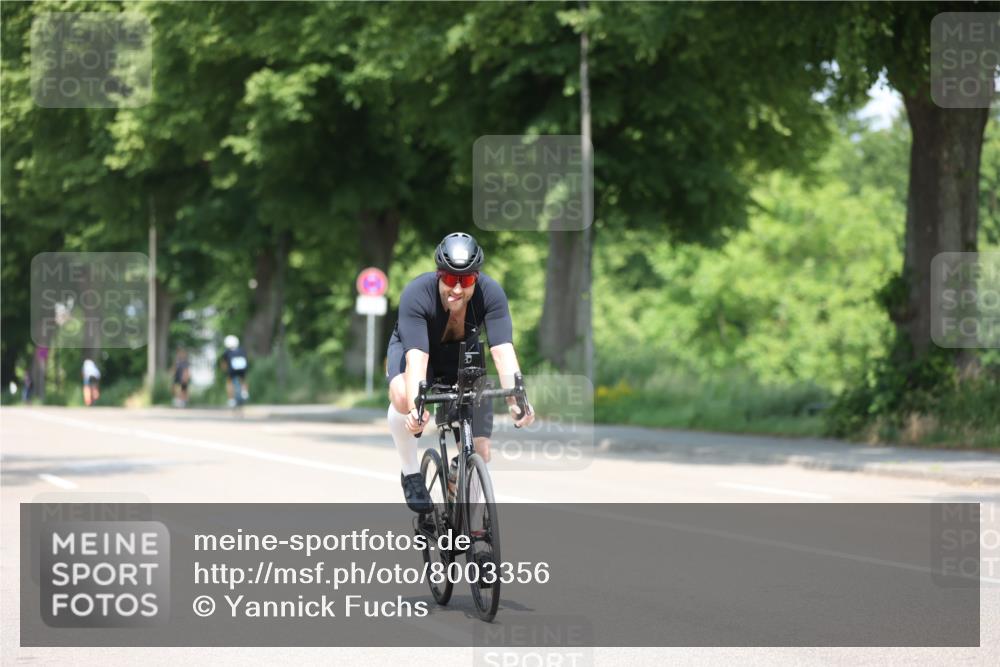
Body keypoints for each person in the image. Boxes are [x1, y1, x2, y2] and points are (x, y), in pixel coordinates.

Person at [386, 232, 534, 516]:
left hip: (462, 358)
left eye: (465, 280)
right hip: (419, 352)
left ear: (475, 278)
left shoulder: (490, 293)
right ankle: (411, 474)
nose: (456, 287)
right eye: (450, 278)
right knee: (404, 400)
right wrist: (417, 408)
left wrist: (518, 401)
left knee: (481, 451)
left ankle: (474, 531)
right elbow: (417, 358)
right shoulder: (418, 294)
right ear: (438, 274)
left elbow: (503, 351)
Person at [220, 335, 249, 407]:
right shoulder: (242, 350)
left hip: (232, 370)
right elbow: (246, 359)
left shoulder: (227, 352)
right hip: (242, 369)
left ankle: (231, 399)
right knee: (243, 379)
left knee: (229, 382)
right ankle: (245, 392)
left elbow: (224, 363)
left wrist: (224, 370)